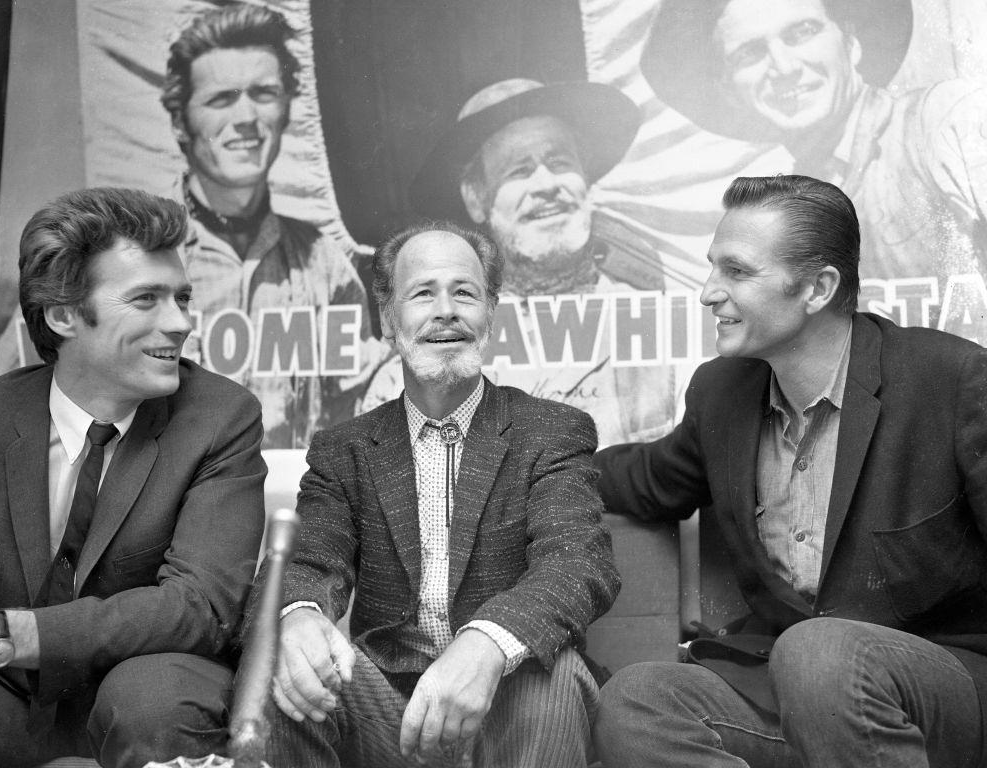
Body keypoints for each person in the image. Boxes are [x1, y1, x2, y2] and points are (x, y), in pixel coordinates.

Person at [591, 174, 987, 767]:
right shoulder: (721, 393)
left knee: (820, 653)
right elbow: (648, 477)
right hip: (797, 685)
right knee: (638, 700)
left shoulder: (954, 381)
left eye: (737, 271)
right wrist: (540, 464)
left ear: (818, 288)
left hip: (944, 683)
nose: (708, 292)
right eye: (711, 268)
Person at [256, 220, 619, 767]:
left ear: (490, 313)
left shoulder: (551, 431)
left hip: (513, 701)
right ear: (388, 318)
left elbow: (575, 565)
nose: (446, 310)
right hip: (391, 712)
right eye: (423, 293)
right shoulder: (345, 449)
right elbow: (308, 561)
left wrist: (487, 642)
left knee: (555, 671)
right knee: (290, 669)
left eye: (465, 293)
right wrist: (299, 614)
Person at [0, 188, 267, 768]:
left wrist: (8, 633)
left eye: (181, 298)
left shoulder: (220, 417)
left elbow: (199, 609)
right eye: (146, 299)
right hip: (8, 700)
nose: (180, 323)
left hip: (142, 696)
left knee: (151, 697)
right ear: (63, 315)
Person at [0, 2, 383, 449]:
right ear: (179, 121)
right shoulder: (118, 256)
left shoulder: (323, 262)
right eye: (222, 99)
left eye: (264, 93)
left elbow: (363, 404)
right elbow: (12, 398)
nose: (247, 119)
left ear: (288, 108)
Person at [639, 0, 987, 330]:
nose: (785, 68)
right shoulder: (794, 205)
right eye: (751, 54)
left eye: (802, 33)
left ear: (851, 42)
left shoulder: (945, 120)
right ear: (728, 91)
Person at [402, 78, 680, 446]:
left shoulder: (648, 321)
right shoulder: (441, 342)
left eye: (560, 161)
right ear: (476, 198)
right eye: (519, 171)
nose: (546, 184)